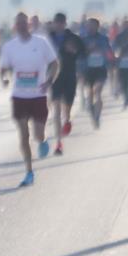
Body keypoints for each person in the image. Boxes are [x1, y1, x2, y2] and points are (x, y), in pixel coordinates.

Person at [0, 12, 59, 186]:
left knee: (37, 133)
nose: (22, 26)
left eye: (24, 23)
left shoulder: (41, 43)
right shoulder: (10, 46)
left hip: (38, 95)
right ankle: (29, 172)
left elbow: (55, 63)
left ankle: (43, 140)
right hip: (19, 96)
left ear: (29, 25)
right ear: (15, 26)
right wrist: (3, 78)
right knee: (23, 136)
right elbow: (3, 68)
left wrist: (49, 81)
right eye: (19, 24)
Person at [48, 12, 85, 156]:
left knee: (66, 108)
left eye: (61, 22)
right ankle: (58, 143)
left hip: (69, 75)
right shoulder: (48, 38)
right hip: (54, 77)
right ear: (54, 23)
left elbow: (83, 52)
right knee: (56, 110)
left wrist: (74, 51)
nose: (58, 24)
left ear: (64, 23)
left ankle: (68, 119)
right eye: (56, 22)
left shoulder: (73, 38)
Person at [82, 18, 112, 128]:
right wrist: (88, 50)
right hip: (88, 70)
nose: (90, 28)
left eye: (92, 25)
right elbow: (81, 54)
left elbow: (109, 51)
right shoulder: (84, 39)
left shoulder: (103, 38)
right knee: (89, 95)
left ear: (97, 26)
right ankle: (92, 111)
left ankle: (97, 116)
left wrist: (101, 50)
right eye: (88, 25)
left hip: (100, 69)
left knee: (97, 92)